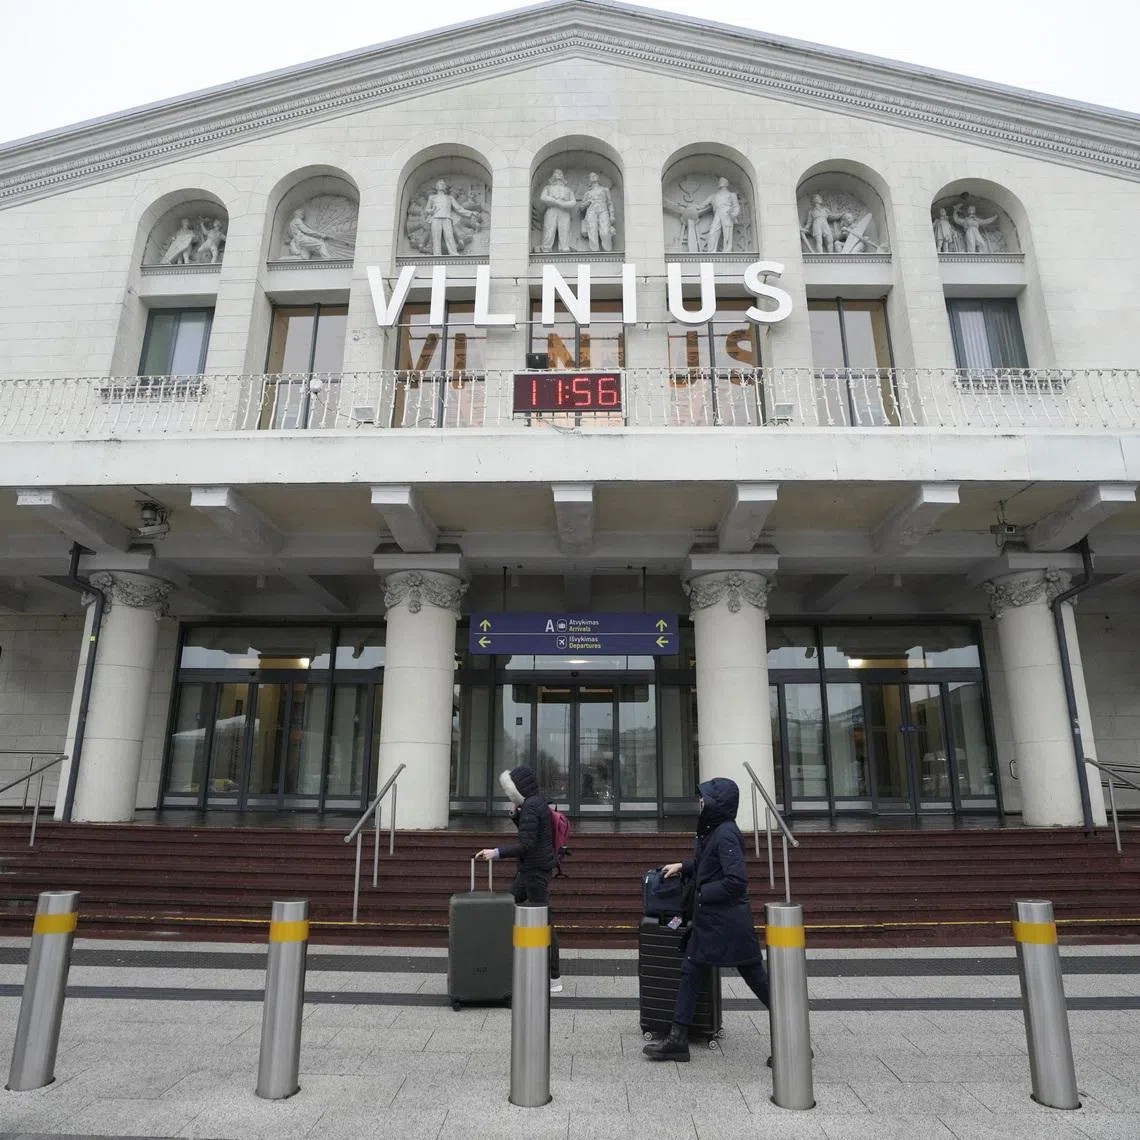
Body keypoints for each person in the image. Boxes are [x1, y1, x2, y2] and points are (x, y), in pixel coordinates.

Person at [643, 776, 770, 1062]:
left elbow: (736, 880)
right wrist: (683, 866)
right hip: (714, 921)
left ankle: (794, 1036)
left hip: (727, 923)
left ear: (717, 803)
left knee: (756, 979)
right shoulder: (714, 831)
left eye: (704, 798)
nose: (700, 802)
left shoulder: (724, 833)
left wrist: (701, 895)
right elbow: (708, 865)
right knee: (692, 969)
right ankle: (677, 1039)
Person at [475, 764, 562, 992]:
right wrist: (515, 815)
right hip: (531, 870)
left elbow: (526, 844)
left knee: (543, 921)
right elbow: (531, 832)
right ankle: (512, 962)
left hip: (535, 871)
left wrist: (496, 853)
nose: (508, 795)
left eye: (510, 790)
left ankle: (553, 976)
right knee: (509, 907)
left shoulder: (532, 807)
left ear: (518, 788)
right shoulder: (535, 803)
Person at [424, 179, 476, 256]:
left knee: (449, 236)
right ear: (436, 187)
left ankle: (453, 253)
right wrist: (430, 211)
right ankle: (437, 254)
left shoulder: (449, 198)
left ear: (445, 187)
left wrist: (471, 213)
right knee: (436, 238)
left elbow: (459, 209)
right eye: (439, 183)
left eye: (443, 184)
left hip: (447, 218)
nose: (441, 184)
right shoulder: (432, 197)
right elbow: (426, 209)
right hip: (435, 219)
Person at [698, 177, 740, 254]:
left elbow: (736, 206)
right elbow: (702, 205)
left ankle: (727, 251)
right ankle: (711, 251)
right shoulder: (713, 196)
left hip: (727, 213)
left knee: (727, 233)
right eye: (720, 181)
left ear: (727, 184)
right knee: (712, 232)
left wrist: (734, 214)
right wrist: (691, 206)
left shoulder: (732, 195)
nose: (721, 182)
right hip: (717, 213)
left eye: (723, 181)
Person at [538, 169, 577, 253]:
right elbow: (543, 197)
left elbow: (573, 202)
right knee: (549, 229)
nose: (558, 174)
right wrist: (555, 201)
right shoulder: (548, 187)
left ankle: (564, 249)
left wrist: (563, 204)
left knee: (564, 230)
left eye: (560, 173)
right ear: (553, 176)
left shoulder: (568, 189)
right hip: (552, 209)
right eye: (556, 172)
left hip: (564, 211)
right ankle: (546, 249)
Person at [579, 172, 615, 252]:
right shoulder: (587, 193)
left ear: (598, 178)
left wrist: (612, 215)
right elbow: (581, 208)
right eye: (591, 176)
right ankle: (594, 251)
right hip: (591, 212)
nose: (593, 176)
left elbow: (609, 203)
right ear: (589, 180)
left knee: (605, 232)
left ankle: (608, 251)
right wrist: (586, 203)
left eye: (595, 175)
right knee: (592, 232)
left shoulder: (605, 190)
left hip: (603, 211)